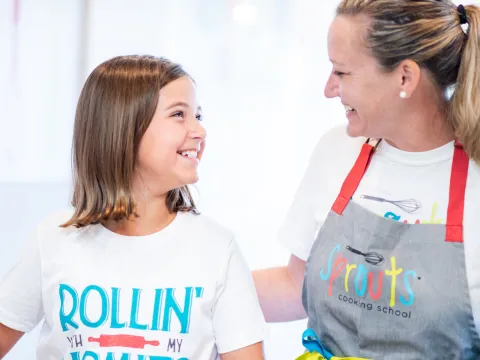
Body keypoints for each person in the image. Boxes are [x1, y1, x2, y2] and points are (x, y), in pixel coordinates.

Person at [253, 0, 480, 358]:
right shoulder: (336, 151)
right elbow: (296, 284)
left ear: (405, 76)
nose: (329, 89)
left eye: (342, 72)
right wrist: (201, 285)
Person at [0, 55, 266, 360]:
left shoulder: (218, 249)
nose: (199, 131)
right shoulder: (53, 241)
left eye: (198, 116)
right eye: (179, 114)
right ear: (125, 127)